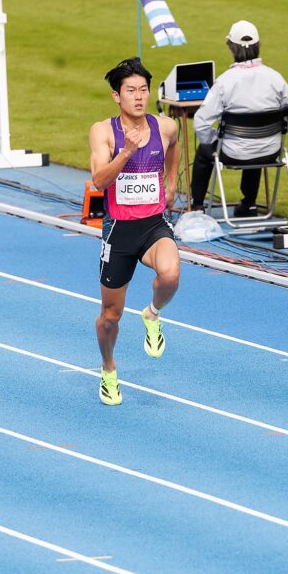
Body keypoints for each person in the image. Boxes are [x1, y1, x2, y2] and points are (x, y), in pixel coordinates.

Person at [89, 58, 181, 405]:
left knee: (170, 274)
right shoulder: (103, 131)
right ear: (117, 96)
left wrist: (171, 183)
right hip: (119, 231)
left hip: (153, 224)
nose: (139, 97)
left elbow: (174, 146)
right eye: (131, 91)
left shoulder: (165, 126)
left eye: (144, 90)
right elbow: (99, 181)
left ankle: (152, 314)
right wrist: (126, 151)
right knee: (110, 317)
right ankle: (108, 369)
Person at [190, 20, 288, 216]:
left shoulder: (225, 81)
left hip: (233, 152)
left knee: (204, 150)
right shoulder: (275, 77)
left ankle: (197, 206)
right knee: (256, 139)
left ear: (231, 48)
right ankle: (249, 204)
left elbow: (201, 121)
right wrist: (280, 131)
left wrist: (214, 138)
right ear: (258, 45)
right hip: (270, 150)